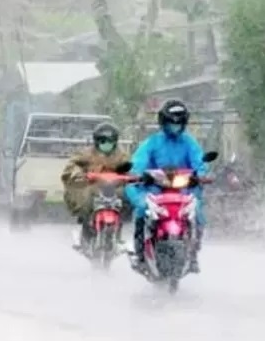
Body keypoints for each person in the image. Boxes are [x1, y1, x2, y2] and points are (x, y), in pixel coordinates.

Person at [125, 99, 209, 274]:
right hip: (155, 190)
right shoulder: (152, 143)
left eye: (179, 122)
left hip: (183, 190)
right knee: (142, 211)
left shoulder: (189, 143)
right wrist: (139, 175)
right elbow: (138, 163)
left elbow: (200, 163)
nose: (175, 126)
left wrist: (200, 175)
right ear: (163, 122)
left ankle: (193, 253)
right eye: (171, 122)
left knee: (198, 212)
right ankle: (140, 254)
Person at [60, 122, 131, 251]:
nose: (106, 144)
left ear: (115, 141)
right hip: (92, 188)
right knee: (85, 201)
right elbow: (72, 166)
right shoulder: (86, 154)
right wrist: (79, 174)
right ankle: (86, 228)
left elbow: (131, 168)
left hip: (114, 189)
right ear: (96, 141)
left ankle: (118, 232)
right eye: (103, 140)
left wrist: (132, 176)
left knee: (127, 201)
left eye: (110, 141)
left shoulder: (122, 155)